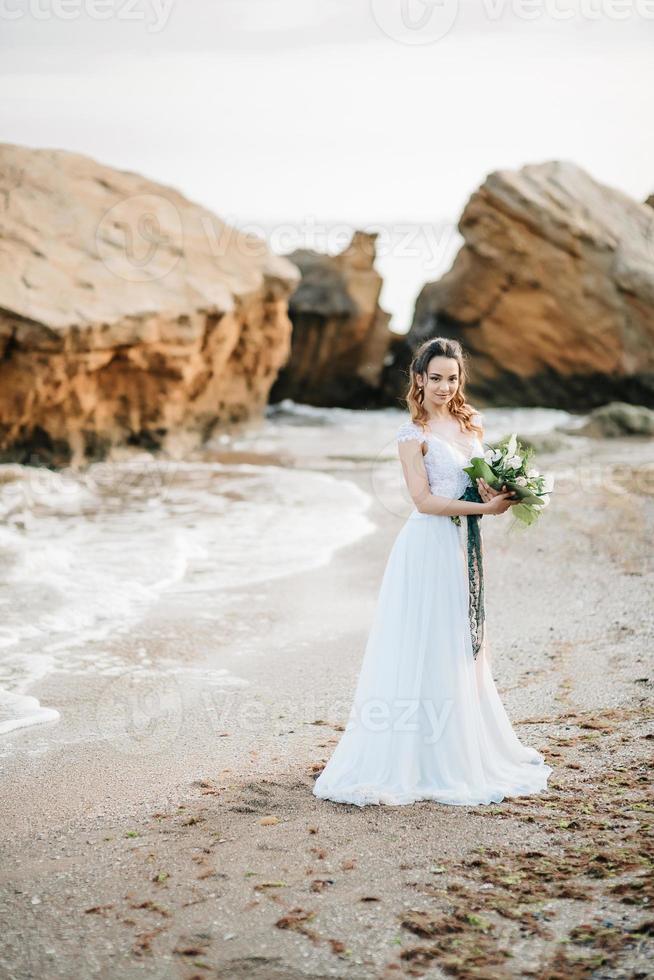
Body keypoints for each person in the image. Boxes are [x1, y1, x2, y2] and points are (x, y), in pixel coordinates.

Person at [312, 336, 552, 807]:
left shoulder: (472, 424)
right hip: (427, 545)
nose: (445, 387)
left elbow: (476, 480)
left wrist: (500, 493)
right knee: (424, 641)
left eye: (453, 378)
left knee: (461, 641)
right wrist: (482, 509)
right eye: (436, 378)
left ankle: (463, 745)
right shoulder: (411, 436)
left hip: (464, 544)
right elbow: (421, 501)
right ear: (418, 379)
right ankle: (414, 756)